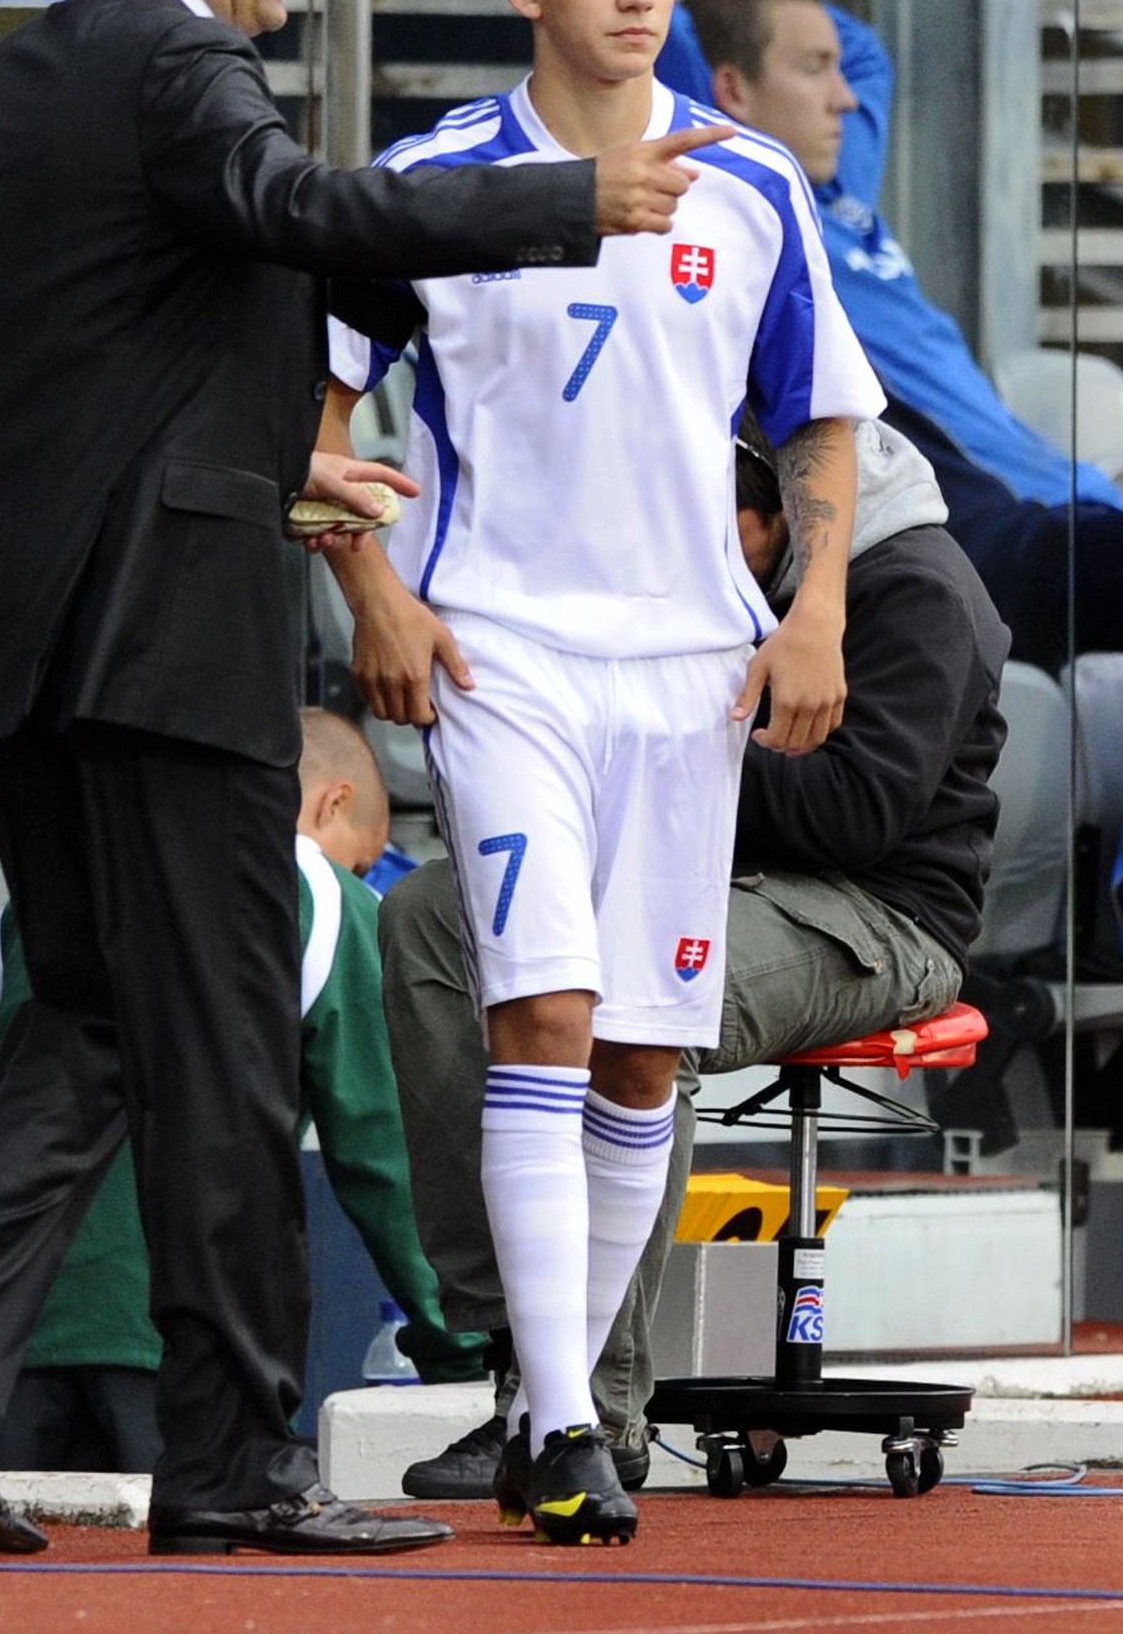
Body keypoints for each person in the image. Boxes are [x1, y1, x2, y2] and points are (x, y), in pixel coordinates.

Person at [0, 0, 720, 1563]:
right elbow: (296, 210)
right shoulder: (179, 68)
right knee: (232, 1055)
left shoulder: (22, 80)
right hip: (164, 636)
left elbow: (102, 337)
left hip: (41, 623)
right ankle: (231, 1471)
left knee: (88, 1013)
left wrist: (272, 457)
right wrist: (565, 200)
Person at [323, 0, 885, 1545]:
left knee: (645, 1058)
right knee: (545, 1015)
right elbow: (312, 417)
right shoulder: (430, 181)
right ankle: (557, 1412)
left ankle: (578, 1415)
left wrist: (818, 611)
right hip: (505, 656)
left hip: (693, 671)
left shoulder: (753, 186)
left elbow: (825, 416)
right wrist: (379, 596)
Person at [384, 416, 1011, 1500]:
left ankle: (590, 1406)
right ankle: (515, 1346)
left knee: (633, 1007)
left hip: (875, 916)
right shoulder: (698, 584)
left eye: (713, 527)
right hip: (701, 869)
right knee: (433, 915)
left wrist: (652, 758)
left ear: (786, 517)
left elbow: (857, 813)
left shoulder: (919, 589)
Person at [0, 709, 485, 1476]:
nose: (361, 880)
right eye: (363, 864)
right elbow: (388, 1156)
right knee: (195, 1581)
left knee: (6, 1590)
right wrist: (464, 1351)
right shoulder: (316, 893)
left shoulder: (36, 904)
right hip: (189, 1341)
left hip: (8, 1346)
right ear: (331, 804)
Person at [656, 0, 1123, 679]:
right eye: (813, 68)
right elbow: (665, 42)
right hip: (985, 527)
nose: (845, 97)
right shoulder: (745, 210)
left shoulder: (840, 191)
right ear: (731, 92)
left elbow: (868, 55)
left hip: (1073, 493)